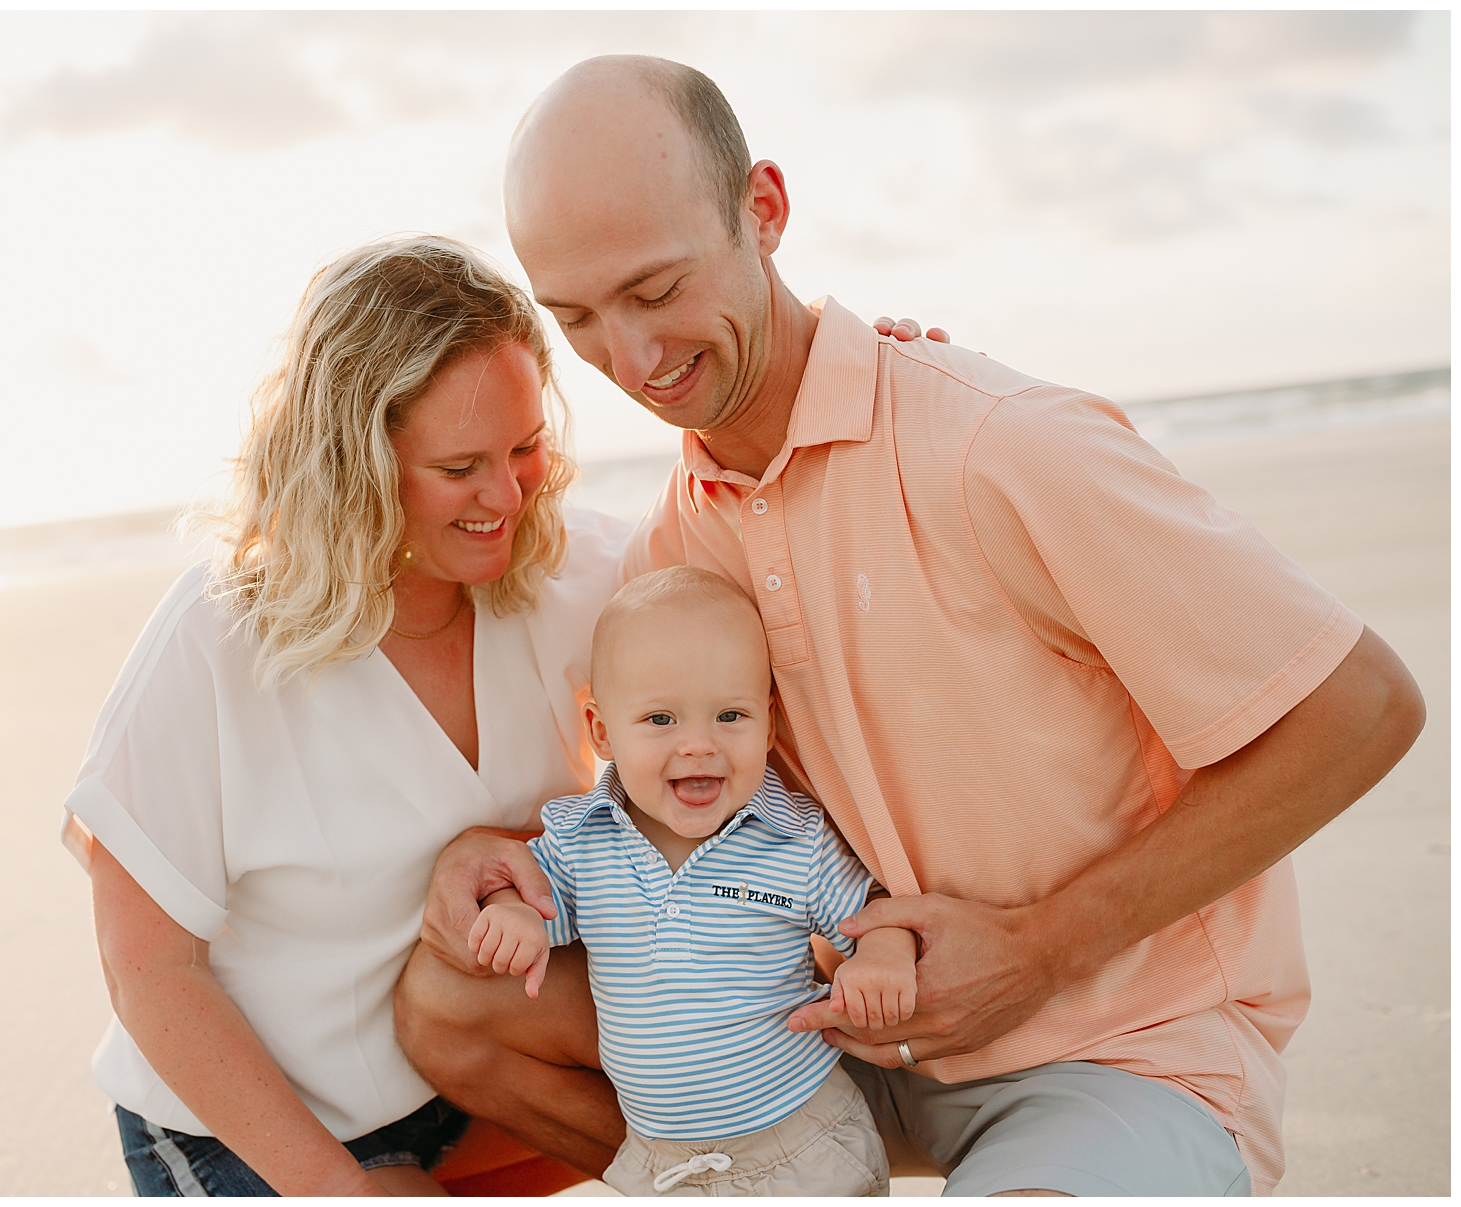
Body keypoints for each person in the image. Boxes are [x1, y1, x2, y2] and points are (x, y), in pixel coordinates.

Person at [396, 57, 1427, 1195]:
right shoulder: (668, 557)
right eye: (578, 316)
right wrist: (481, 859)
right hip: (833, 1045)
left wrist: (1043, 951)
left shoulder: (999, 448)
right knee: (456, 1005)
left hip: (1118, 1049)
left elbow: (1364, 707)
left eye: (657, 290)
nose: (631, 362)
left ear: (764, 211)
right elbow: (648, 816)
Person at [58, 234, 636, 1195]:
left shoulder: (577, 576)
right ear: (357, 463)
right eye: (461, 468)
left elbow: (760, 552)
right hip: (252, 1135)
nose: (507, 495)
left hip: (477, 1084)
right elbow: (150, 970)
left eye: (527, 448)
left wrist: (900, 383)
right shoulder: (216, 642)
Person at [469, 566, 914, 1195]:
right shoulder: (582, 840)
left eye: (730, 715)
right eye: (660, 720)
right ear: (602, 732)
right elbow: (527, 894)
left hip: (802, 1144)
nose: (699, 745)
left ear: (769, 719)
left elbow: (874, 911)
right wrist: (512, 912)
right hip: (663, 1161)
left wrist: (882, 959)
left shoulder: (792, 840)